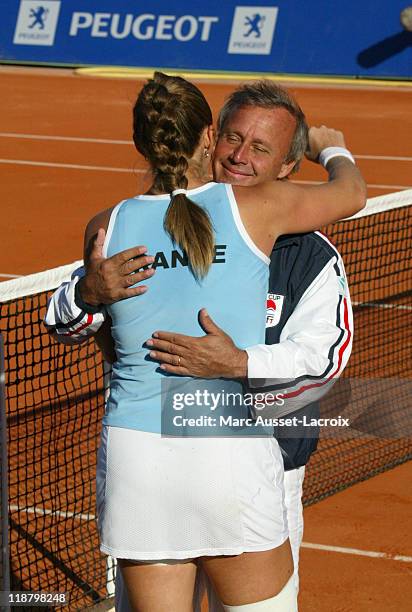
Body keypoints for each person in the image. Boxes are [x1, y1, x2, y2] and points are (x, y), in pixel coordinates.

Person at [45, 75, 364, 611]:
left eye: (260, 148)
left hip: (137, 463)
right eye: (234, 141)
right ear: (210, 136)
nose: (241, 156)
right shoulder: (259, 208)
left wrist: (89, 293)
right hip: (231, 461)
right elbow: (352, 193)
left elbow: (96, 339)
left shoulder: (108, 224)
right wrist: (331, 148)